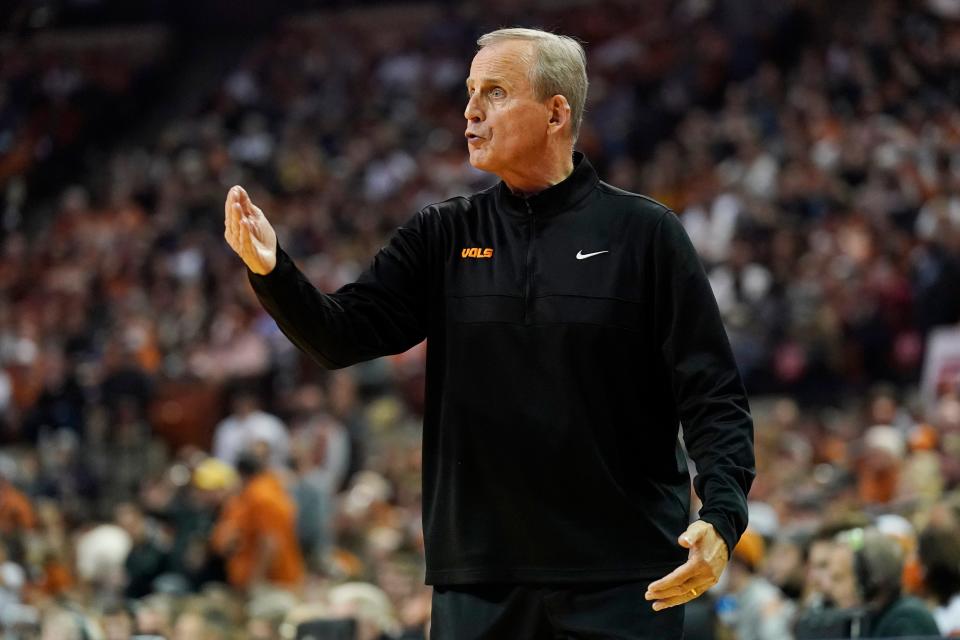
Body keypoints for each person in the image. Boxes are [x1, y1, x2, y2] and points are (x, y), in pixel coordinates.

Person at [225, 27, 755, 638]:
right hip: (479, 577)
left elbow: (713, 394)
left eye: (496, 92)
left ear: (557, 113)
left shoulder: (645, 234)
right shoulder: (442, 233)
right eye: (471, 92)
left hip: (625, 575)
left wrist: (721, 514)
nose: (472, 111)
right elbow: (338, 337)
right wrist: (272, 270)